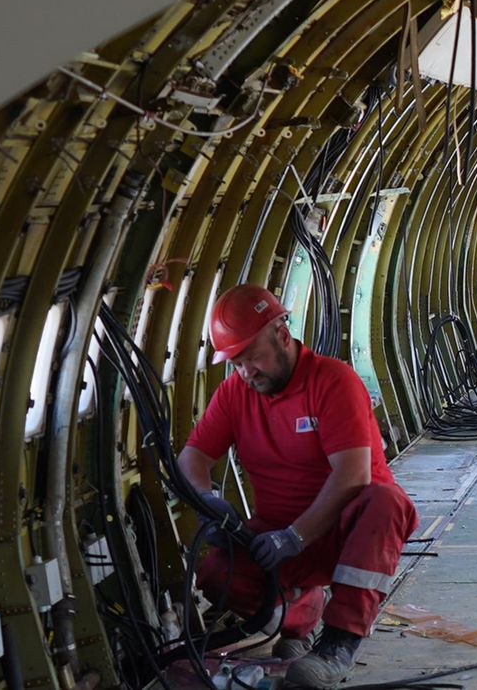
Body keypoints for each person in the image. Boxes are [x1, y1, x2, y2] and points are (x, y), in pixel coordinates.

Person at [177, 284, 416, 689]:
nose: (247, 372)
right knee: (217, 573)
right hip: (278, 535)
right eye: (237, 363)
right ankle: (299, 620)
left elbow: (352, 475)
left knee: (385, 502)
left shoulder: (333, 381)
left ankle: (337, 646)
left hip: (347, 532)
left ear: (283, 336)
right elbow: (192, 458)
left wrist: (296, 536)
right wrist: (207, 500)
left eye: (253, 358)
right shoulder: (235, 393)